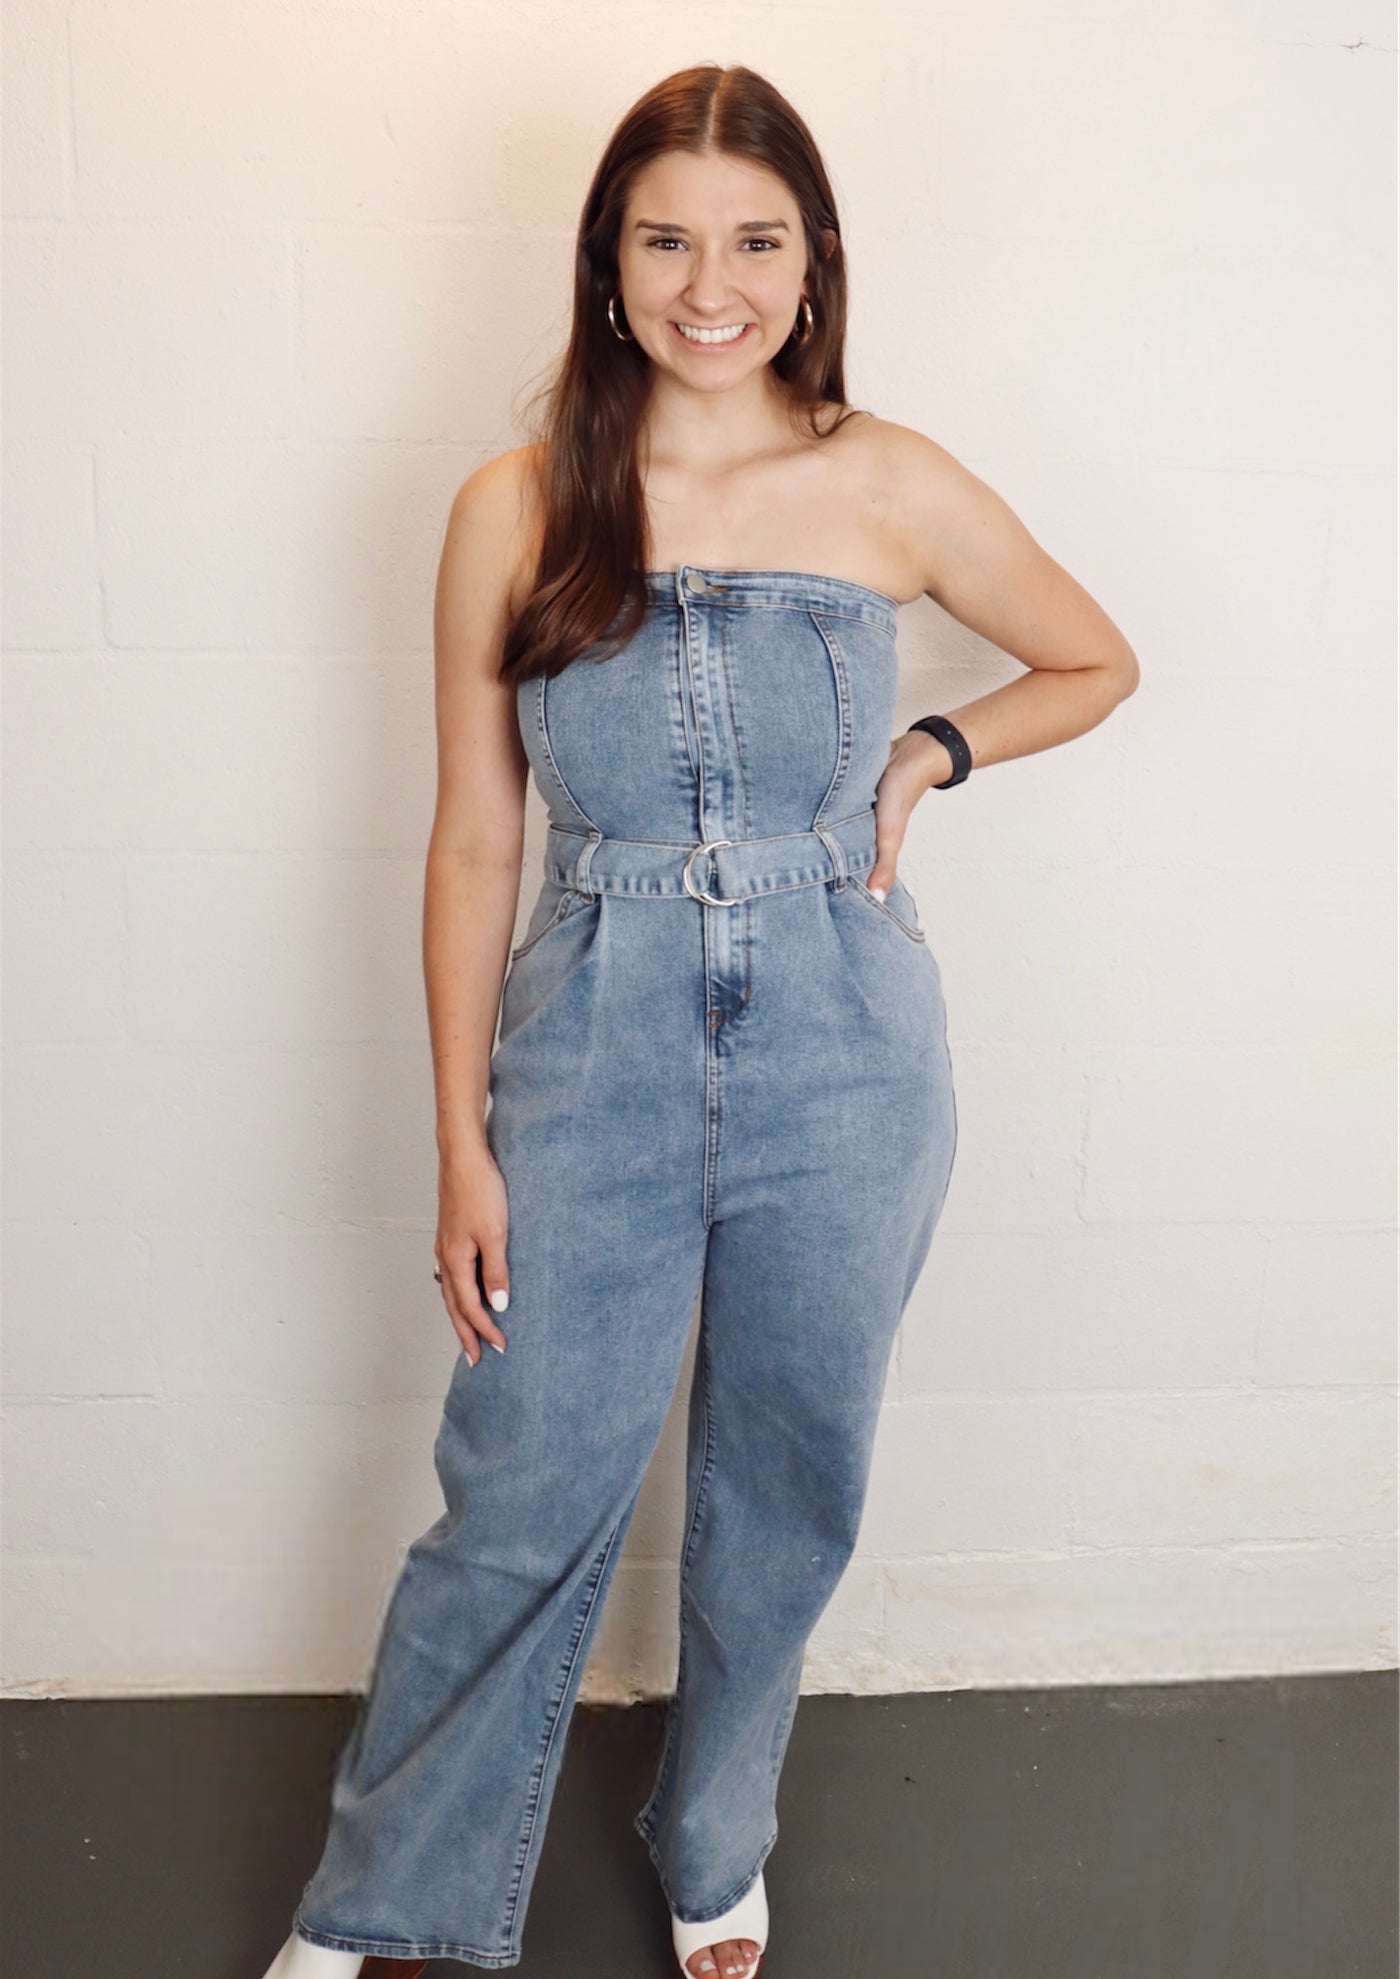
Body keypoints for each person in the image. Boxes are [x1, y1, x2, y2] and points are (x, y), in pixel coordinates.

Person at [259, 60, 1138, 1979]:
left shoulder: (891, 479)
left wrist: (932, 745)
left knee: (787, 1480)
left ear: (814, 261)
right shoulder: (514, 505)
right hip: (596, 1042)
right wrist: (460, 1141)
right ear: (609, 259)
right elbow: (475, 841)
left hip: (849, 1045)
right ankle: (385, 1902)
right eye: (667, 241)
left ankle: (715, 1836)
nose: (710, 286)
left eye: (754, 241)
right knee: (520, 1485)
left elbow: (1095, 658)